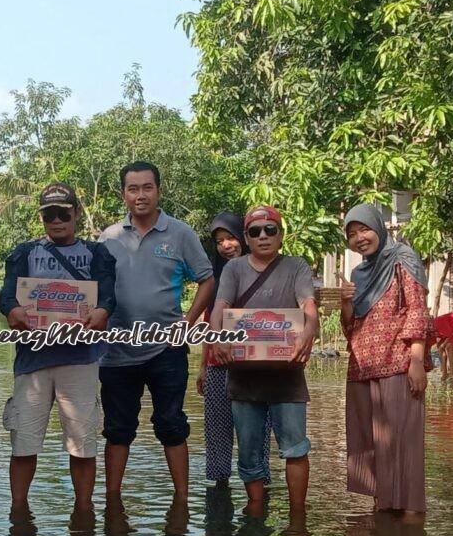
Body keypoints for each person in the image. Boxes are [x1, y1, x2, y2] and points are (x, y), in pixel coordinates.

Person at [99, 161, 215, 500]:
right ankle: (112, 501)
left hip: (166, 349)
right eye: (133, 189)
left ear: (159, 190)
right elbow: (95, 289)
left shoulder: (180, 233)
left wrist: (188, 323)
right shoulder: (108, 237)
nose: (140, 195)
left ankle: (181, 501)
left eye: (147, 187)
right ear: (123, 194)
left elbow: (207, 279)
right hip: (116, 350)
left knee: (172, 424)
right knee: (117, 429)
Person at [0, 182, 117, 510]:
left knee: (82, 443)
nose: (56, 220)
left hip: (80, 358)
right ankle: (18, 510)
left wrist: (102, 312)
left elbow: (108, 294)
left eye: (63, 213)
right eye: (48, 214)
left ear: (76, 213)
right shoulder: (23, 252)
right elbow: (8, 296)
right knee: (23, 442)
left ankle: (83, 511)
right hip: (32, 361)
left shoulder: (97, 253)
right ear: (41, 217)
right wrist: (13, 311)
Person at [209, 206, 319, 515]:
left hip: (288, 375)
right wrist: (217, 336)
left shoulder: (296, 266)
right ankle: (254, 510)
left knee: (296, 448)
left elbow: (308, 305)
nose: (263, 236)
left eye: (270, 230)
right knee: (248, 451)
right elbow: (220, 305)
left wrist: (309, 330)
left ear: (281, 234)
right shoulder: (234, 269)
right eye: (255, 231)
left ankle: (298, 516)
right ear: (247, 237)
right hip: (244, 376)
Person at [341, 203, 432, 515]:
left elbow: (418, 310)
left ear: (378, 227)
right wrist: (346, 301)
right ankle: (384, 511)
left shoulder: (402, 258)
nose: (359, 238)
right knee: (368, 440)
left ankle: (409, 517)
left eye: (364, 229)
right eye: (351, 234)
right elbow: (351, 326)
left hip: (397, 362)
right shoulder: (358, 273)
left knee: (402, 441)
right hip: (362, 366)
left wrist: (417, 361)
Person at [197, 212, 273, 487]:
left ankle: (259, 482)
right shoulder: (214, 279)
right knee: (217, 429)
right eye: (219, 241)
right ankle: (219, 485)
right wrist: (203, 366)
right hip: (218, 365)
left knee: (257, 430)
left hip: (254, 366)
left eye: (230, 238)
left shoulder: (266, 273)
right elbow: (209, 322)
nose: (226, 245)